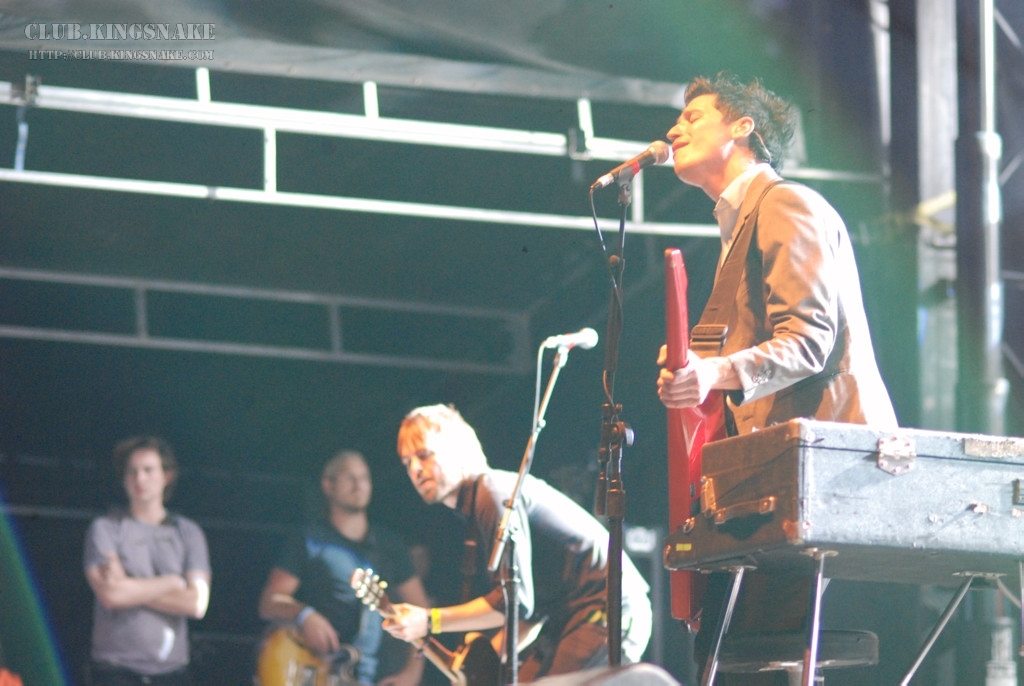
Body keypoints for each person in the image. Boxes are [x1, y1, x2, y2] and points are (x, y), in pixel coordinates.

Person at [656, 73, 898, 683]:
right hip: (778, 470)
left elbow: (809, 341)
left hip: (820, 463)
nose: (674, 129)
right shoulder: (742, 222)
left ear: (743, 128)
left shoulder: (786, 204)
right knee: (735, 645)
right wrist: (694, 367)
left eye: (693, 117)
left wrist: (713, 370)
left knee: (747, 649)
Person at [382, 403, 653, 682]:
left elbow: (513, 602)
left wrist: (429, 620)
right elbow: (528, 609)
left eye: (424, 455)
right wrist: (479, 663)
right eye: (407, 462)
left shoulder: (492, 493)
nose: (415, 469)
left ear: (458, 448)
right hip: (571, 616)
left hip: (606, 608)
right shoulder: (483, 500)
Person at [257, 450, 427, 686]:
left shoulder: (389, 546)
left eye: (364, 477)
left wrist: (412, 673)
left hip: (372, 675)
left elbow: (422, 611)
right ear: (329, 486)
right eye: (349, 477)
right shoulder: (310, 540)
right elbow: (269, 602)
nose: (359, 485)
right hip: (318, 669)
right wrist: (305, 615)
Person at [84, 436, 211, 686]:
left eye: (148, 470)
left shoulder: (189, 532)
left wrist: (129, 586)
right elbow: (112, 595)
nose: (140, 479)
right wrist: (173, 582)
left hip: (172, 672)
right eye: (132, 472)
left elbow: (197, 603)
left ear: (167, 476)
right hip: (115, 670)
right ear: (123, 479)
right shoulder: (105, 528)